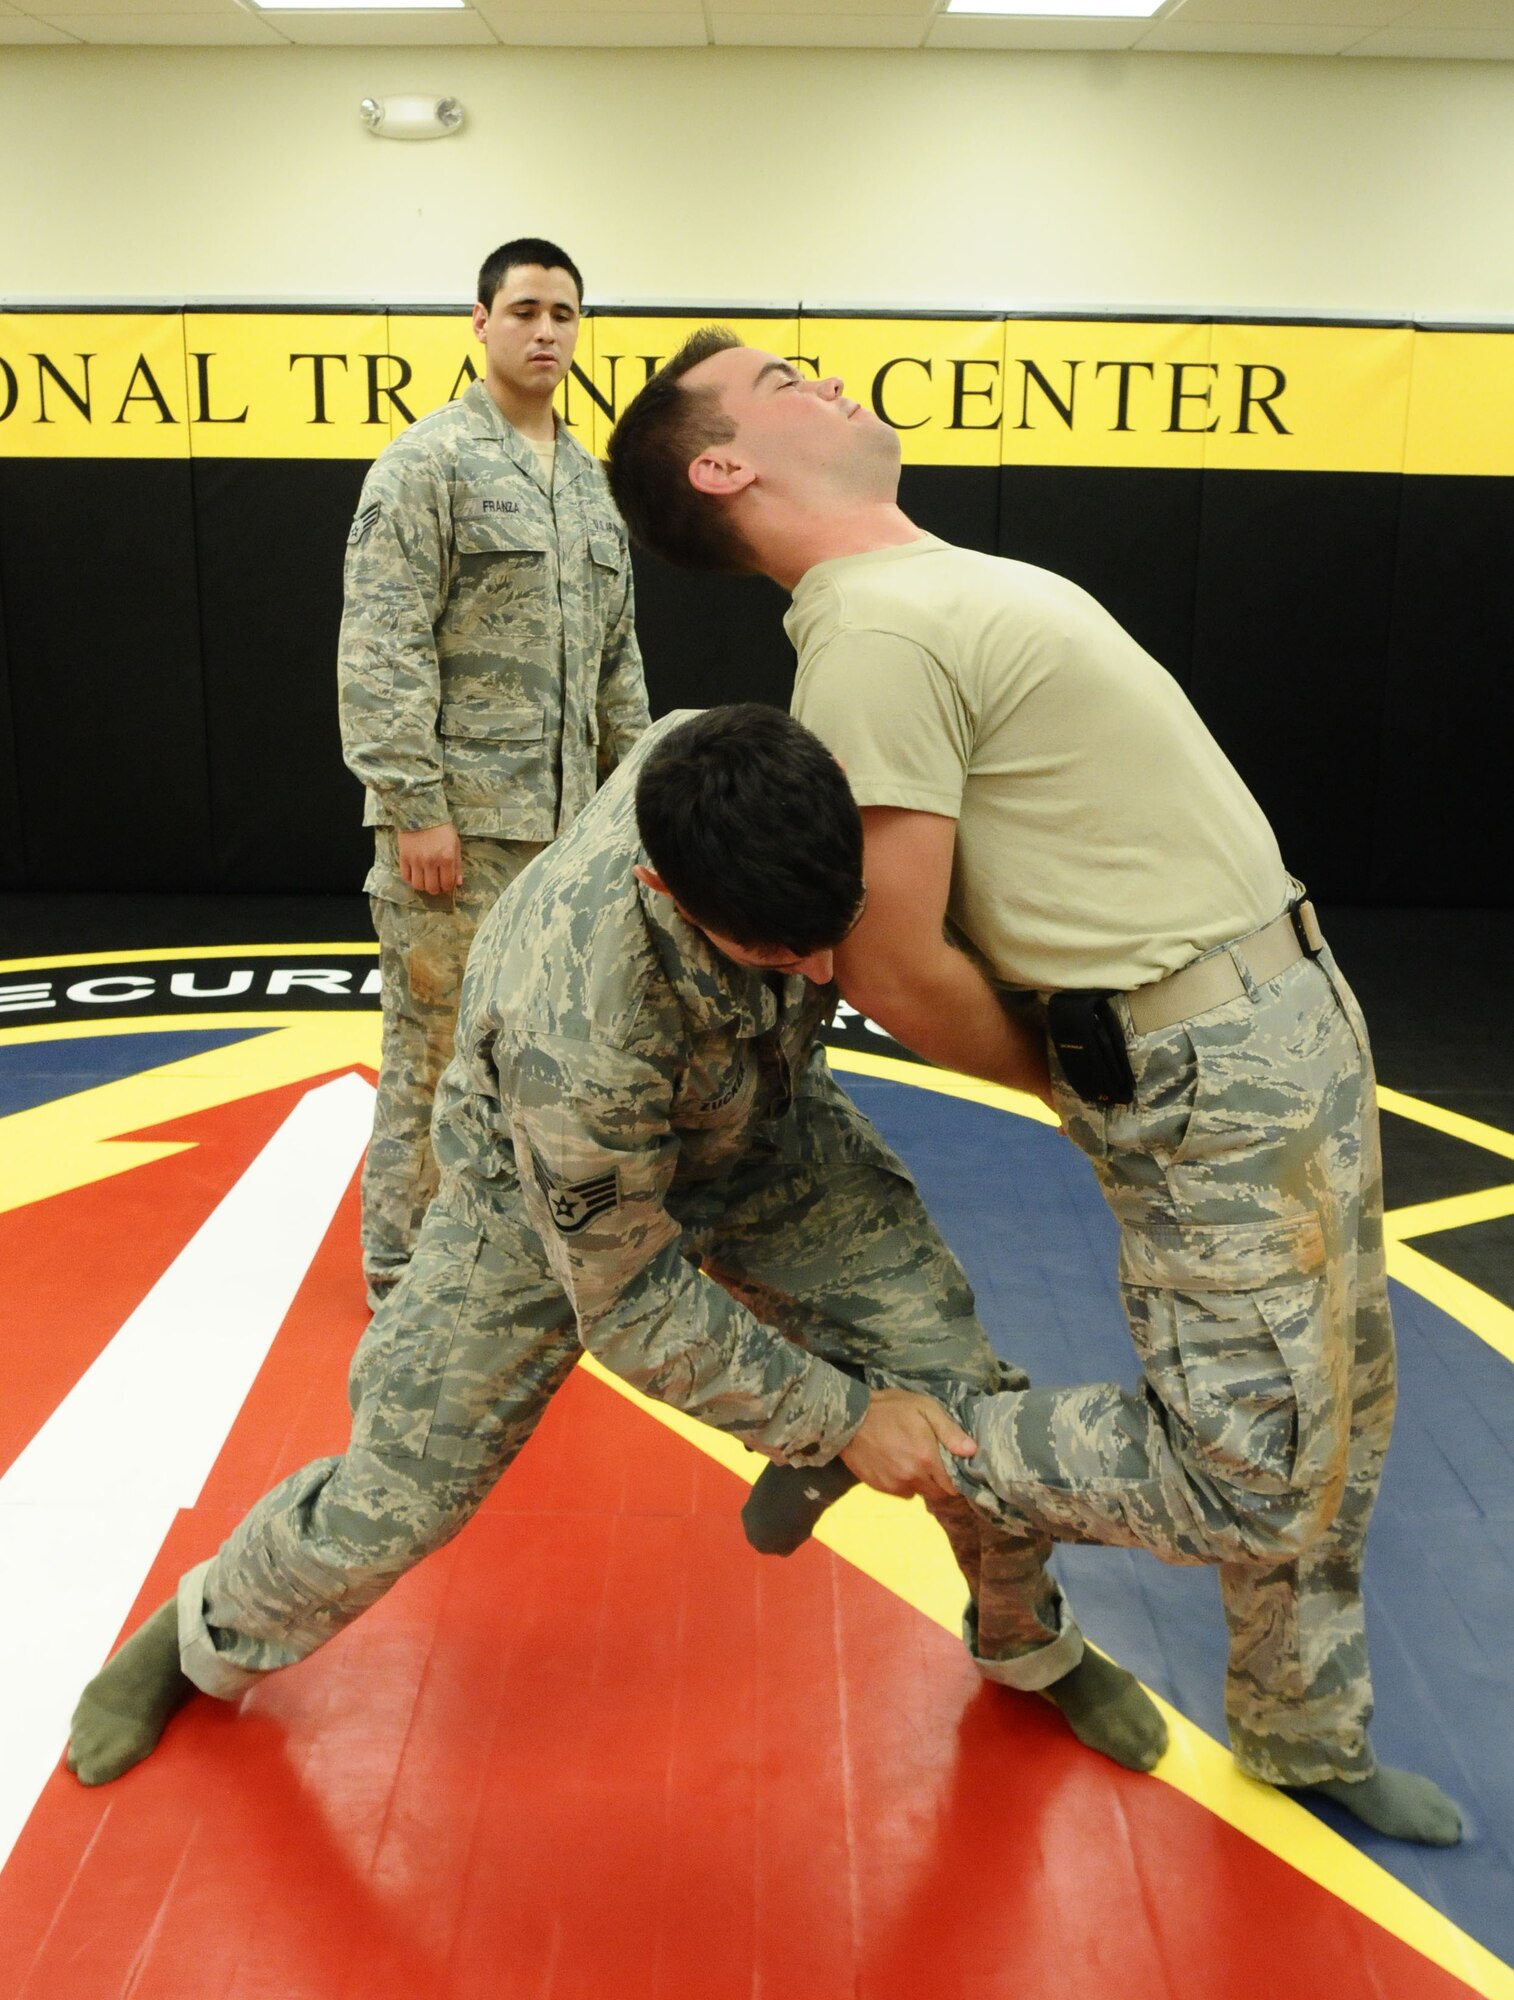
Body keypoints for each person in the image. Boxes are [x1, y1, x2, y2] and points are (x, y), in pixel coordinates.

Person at [603, 332, 1462, 1846]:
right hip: (1195, 1059)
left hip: (1288, 1015)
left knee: (1341, 1416)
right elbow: (884, 949)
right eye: (782, 379)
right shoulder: (868, 635)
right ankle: (927, 1438)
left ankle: (1299, 1729)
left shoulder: (927, 582)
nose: (828, 377)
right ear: (720, 466)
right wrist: (1091, 1083)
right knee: (1254, 1475)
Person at [67, 706, 1165, 1790]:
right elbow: (631, 1297)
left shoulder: (749, 771)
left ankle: (1025, 1639)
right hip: (537, 1197)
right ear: (662, 890)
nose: (824, 970)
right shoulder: (575, 1028)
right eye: (778, 949)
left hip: (763, 1131)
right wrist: (840, 1416)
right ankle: (201, 1629)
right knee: (397, 1496)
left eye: (835, 926)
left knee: (961, 1388)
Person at [339, 235, 650, 1311]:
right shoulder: (427, 466)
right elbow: (381, 649)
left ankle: (520, 1250)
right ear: (479, 322)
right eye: (524, 311)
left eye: (563, 314)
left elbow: (619, 665)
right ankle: (403, 1273)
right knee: (432, 1056)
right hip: (458, 840)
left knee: (554, 1058)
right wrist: (414, 808)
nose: (546, 331)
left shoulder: (590, 487)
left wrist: (633, 806)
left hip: (569, 840)